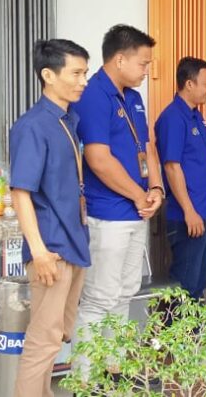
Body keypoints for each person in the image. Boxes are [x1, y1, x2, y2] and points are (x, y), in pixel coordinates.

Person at [70, 25, 164, 350]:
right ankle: (88, 375)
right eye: (143, 63)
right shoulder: (93, 95)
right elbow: (98, 159)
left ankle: (115, 366)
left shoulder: (134, 97)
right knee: (100, 298)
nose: (147, 71)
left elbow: (147, 148)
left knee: (126, 293)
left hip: (137, 211)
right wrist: (139, 196)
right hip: (108, 215)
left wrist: (156, 188)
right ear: (120, 60)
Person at [11, 39, 91, 397]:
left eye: (85, 73)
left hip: (73, 243)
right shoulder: (33, 125)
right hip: (52, 249)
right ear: (48, 75)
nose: (83, 81)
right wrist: (39, 251)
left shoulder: (67, 120)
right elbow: (20, 193)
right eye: (76, 73)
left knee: (58, 335)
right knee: (43, 341)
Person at [156, 57, 206, 300]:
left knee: (198, 283)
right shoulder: (173, 118)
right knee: (185, 284)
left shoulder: (197, 116)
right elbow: (172, 167)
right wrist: (189, 211)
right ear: (189, 84)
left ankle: (195, 326)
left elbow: (201, 166)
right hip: (189, 217)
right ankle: (179, 327)